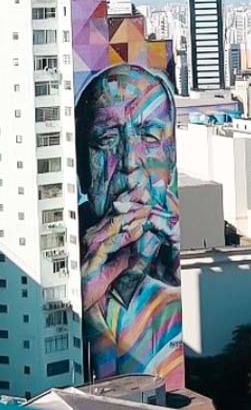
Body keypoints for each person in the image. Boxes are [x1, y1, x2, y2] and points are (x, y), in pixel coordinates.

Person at [76, 63, 182, 385]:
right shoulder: (63, 256)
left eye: (149, 136)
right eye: (107, 138)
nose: (128, 162)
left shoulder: (177, 262)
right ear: (81, 164)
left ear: (171, 160)